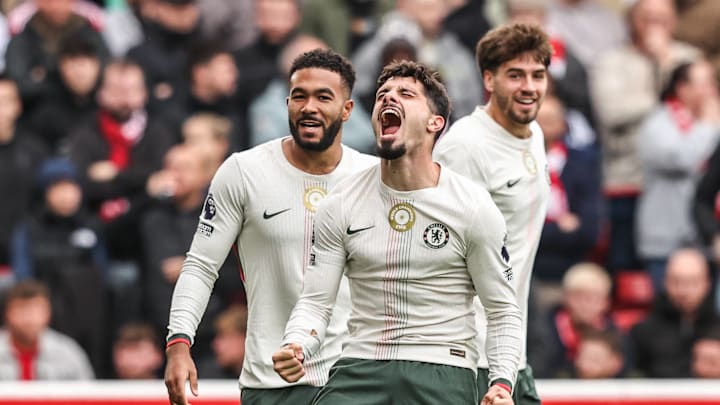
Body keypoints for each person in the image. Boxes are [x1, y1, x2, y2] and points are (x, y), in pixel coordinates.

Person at [273, 60, 521, 405]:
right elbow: (316, 300)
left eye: (406, 94)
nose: (389, 98)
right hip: (360, 365)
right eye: (382, 94)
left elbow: (502, 310)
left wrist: (502, 383)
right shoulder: (340, 202)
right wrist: (297, 342)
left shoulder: (473, 206)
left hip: (442, 369)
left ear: (435, 123)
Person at [163, 49, 377, 405]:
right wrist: (179, 342)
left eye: (324, 97)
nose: (309, 107)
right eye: (299, 96)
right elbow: (200, 265)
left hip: (355, 379)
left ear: (347, 109)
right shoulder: (243, 172)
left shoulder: (372, 178)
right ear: (287, 103)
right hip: (271, 382)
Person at [433, 22, 551, 405]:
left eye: (537, 75)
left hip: (511, 353)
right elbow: (437, 251)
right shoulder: (465, 147)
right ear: (489, 79)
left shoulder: (535, 134)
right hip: (471, 357)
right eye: (515, 75)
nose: (529, 87)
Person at [0, 280, 95, 380]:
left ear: (48, 313)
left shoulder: (67, 352)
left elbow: (88, 388)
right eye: (21, 310)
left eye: (36, 310)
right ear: (7, 314)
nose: (29, 318)